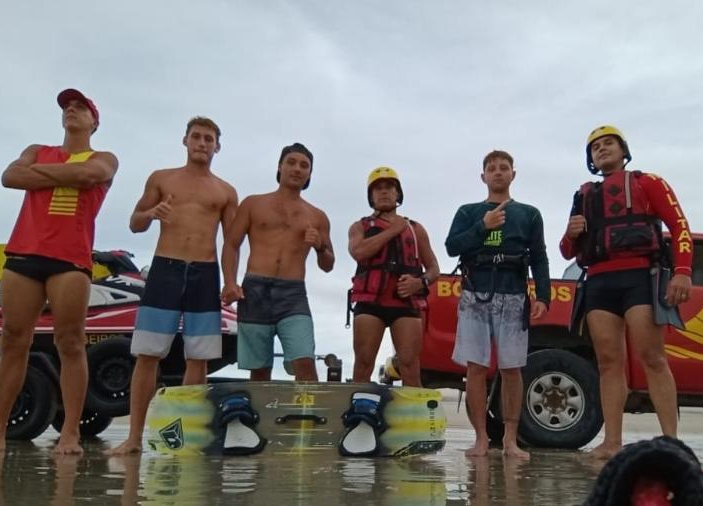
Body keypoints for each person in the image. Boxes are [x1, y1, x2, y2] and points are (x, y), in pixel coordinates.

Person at [0, 89, 118, 454]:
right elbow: (10, 176)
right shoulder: (38, 149)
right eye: (67, 106)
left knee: (70, 342)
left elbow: (89, 174)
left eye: (80, 107)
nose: (72, 109)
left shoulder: (104, 157)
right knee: (12, 340)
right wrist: (55, 173)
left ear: (94, 122)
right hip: (25, 253)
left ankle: (70, 433)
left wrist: (36, 175)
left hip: (70, 260)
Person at [559, 125, 693, 460]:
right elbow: (565, 251)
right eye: (595, 147)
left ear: (623, 150)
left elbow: (679, 227)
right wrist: (571, 233)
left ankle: (672, 440)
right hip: (599, 283)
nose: (602, 149)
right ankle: (612, 441)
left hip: (640, 277)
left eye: (608, 144)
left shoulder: (649, 183)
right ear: (590, 158)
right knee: (608, 362)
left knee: (652, 357)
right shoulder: (584, 195)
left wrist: (683, 272)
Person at [106, 117, 238, 455]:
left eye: (209, 139)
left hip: (205, 273)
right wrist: (152, 212)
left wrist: (231, 280)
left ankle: (184, 436)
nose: (202, 143)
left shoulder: (225, 191)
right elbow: (135, 224)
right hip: (165, 269)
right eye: (197, 137)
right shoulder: (162, 178)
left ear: (217, 146)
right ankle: (134, 437)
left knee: (199, 357)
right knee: (148, 354)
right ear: (185, 141)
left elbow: (231, 242)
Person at [445, 150, 551, 459]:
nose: (498, 172)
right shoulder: (468, 211)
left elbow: (540, 256)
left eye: (504, 168)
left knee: (512, 369)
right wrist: (484, 225)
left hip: (514, 295)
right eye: (491, 168)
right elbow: (452, 247)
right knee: (476, 369)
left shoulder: (529, 213)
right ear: (483, 177)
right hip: (476, 294)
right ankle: (480, 438)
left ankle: (509, 439)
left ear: (513, 175)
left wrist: (542, 296)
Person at [223, 143, 334, 381]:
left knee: (304, 361)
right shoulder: (253, 204)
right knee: (260, 369)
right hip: (254, 290)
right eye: (291, 162)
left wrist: (319, 246)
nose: (297, 169)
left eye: (304, 165)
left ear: (309, 174)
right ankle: (264, 418)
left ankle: (306, 417)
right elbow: (232, 244)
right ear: (280, 167)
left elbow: (328, 264)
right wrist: (230, 282)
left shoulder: (317, 216)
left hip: (292, 294)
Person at [347, 167, 440, 387]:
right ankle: (358, 412)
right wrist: (392, 230)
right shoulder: (359, 227)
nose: (384, 192)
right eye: (378, 188)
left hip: (405, 303)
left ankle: (414, 416)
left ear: (398, 194)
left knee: (409, 364)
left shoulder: (416, 229)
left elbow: (434, 268)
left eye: (390, 187)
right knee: (363, 362)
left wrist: (420, 282)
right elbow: (358, 252)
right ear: (371, 196)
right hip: (370, 303)